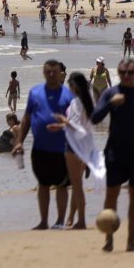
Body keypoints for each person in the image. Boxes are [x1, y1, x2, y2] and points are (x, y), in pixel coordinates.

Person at [90, 57, 134, 251]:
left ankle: (131, 241)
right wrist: (110, 104)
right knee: (112, 194)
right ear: (118, 72)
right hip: (115, 152)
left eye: (130, 73)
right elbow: (95, 117)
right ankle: (109, 240)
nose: (126, 76)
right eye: (122, 73)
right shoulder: (110, 93)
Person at [12, 59, 72, 230]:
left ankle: (60, 220)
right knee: (43, 184)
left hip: (62, 149)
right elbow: (27, 119)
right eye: (48, 71)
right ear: (44, 72)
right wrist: (19, 142)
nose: (51, 74)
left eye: (55, 71)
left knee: (61, 185)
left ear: (61, 73)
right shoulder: (35, 92)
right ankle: (44, 221)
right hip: (40, 149)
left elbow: (76, 122)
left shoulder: (68, 95)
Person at [48, 72, 105, 230]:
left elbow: (74, 125)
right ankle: (74, 218)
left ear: (74, 86)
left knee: (76, 185)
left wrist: (61, 121)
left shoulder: (75, 103)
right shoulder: (88, 102)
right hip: (86, 145)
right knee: (77, 184)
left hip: (74, 146)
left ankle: (80, 220)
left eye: (69, 85)